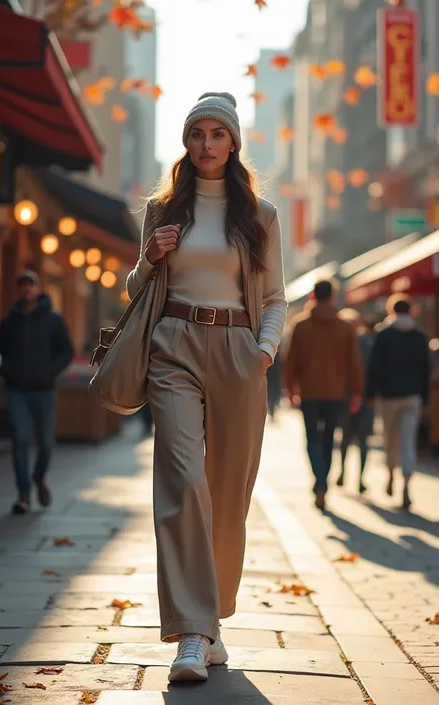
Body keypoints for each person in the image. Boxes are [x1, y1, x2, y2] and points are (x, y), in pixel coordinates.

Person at [126, 92, 287, 683]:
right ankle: (189, 634)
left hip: (240, 352)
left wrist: (263, 353)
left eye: (218, 134)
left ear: (234, 142)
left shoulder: (260, 215)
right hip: (173, 345)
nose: (206, 145)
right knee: (182, 478)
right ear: (187, 142)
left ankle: (212, 620)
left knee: (227, 494)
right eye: (197, 134)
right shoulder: (163, 208)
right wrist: (149, 256)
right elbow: (134, 288)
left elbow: (275, 298)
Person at [0, 271, 74, 515]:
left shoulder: (53, 320)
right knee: (19, 440)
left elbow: (66, 351)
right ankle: (23, 494)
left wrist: (50, 372)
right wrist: (9, 373)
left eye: (31, 284)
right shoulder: (7, 322)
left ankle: (39, 478)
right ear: (18, 291)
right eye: (22, 285)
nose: (27, 289)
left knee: (46, 444)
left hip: (44, 390)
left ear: (39, 289)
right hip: (17, 390)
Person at [284, 280, 363, 510]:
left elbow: (290, 361)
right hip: (336, 393)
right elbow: (355, 363)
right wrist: (356, 391)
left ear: (312, 297)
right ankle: (322, 481)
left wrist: (290, 389)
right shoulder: (345, 328)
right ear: (332, 297)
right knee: (329, 438)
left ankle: (319, 480)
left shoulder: (301, 326)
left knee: (312, 439)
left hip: (308, 392)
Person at [367, 294, 430, 510]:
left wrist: (370, 394)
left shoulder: (383, 334)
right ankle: (407, 481)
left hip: (388, 396)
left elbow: (374, 366)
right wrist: (424, 398)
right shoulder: (419, 336)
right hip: (413, 396)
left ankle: (391, 473)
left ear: (391, 310)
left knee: (390, 438)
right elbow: (426, 369)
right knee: (408, 441)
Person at [336, 311, 376, 494]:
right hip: (363, 398)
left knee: (350, 438)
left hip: (349, 398)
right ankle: (353, 475)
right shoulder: (367, 344)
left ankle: (351, 474)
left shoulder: (342, 345)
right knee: (359, 440)